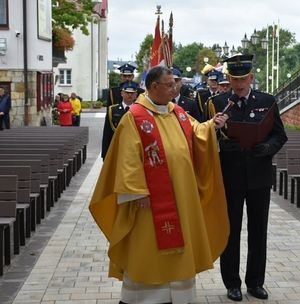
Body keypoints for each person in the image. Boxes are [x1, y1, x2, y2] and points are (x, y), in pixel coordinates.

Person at [89, 66, 230, 304]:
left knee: (180, 243)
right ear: (154, 87)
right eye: (170, 84)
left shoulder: (178, 113)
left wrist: (212, 125)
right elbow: (127, 157)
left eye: (175, 83)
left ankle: (179, 293)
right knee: (149, 246)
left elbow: (196, 132)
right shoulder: (135, 117)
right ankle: (144, 297)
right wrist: (136, 191)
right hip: (150, 200)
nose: (176, 88)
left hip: (182, 195)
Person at [208, 54, 288, 302]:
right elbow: (200, 137)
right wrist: (216, 132)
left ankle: (255, 282)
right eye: (234, 78)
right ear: (228, 78)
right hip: (230, 175)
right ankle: (232, 283)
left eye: (243, 78)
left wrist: (267, 148)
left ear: (251, 77)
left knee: (258, 231)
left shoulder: (267, 101)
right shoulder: (218, 102)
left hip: (259, 176)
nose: (239, 83)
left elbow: (279, 135)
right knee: (230, 231)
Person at [101, 82, 138, 159]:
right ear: (122, 93)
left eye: (132, 93)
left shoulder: (140, 110)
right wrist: (105, 155)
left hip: (134, 151)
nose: (129, 95)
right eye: (127, 92)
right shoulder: (113, 110)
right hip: (117, 150)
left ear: (136, 95)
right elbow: (107, 133)